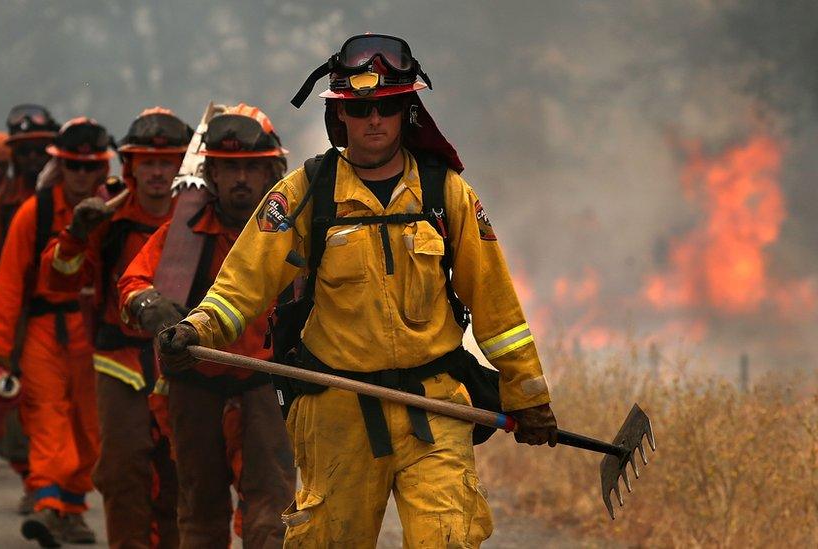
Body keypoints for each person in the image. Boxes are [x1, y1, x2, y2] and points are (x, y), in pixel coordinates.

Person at [158, 35, 559, 547]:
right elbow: (241, 286)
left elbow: (498, 309)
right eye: (361, 107)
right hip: (336, 408)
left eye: (388, 106)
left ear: (405, 110)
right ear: (340, 116)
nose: (375, 120)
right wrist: (198, 328)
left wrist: (530, 397)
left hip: (435, 407)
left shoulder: (447, 194)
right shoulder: (305, 194)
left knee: (448, 539)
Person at [119, 104, 295, 548]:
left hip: (266, 384)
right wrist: (149, 303)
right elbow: (133, 281)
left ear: (271, 172)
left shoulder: (293, 235)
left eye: (250, 170)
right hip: (194, 386)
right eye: (229, 169)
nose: (240, 180)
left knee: (272, 509)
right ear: (211, 175)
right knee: (199, 510)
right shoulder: (184, 234)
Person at [43, 106, 192, 548]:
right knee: (123, 471)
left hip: (182, 362)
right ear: (129, 166)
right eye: (147, 162)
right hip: (120, 362)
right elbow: (60, 280)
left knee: (181, 473)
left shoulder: (198, 216)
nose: (157, 172)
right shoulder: (105, 215)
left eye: (167, 162)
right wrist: (74, 235)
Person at [0, 117, 110, 546]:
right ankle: (47, 505)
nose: (81, 176)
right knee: (48, 418)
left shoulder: (114, 211)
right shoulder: (34, 213)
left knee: (91, 430)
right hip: (42, 330)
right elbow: (7, 282)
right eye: (72, 166)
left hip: (93, 332)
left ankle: (72, 508)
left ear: (101, 169)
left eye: (89, 167)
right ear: (61, 166)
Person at [0, 104, 60, 515]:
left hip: (64, 319)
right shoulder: (1, 206)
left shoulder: (73, 199)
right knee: (14, 406)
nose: (32, 157)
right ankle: (35, 482)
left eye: (40, 148)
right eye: (23, 151)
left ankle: (53, 489)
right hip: (12, 317)